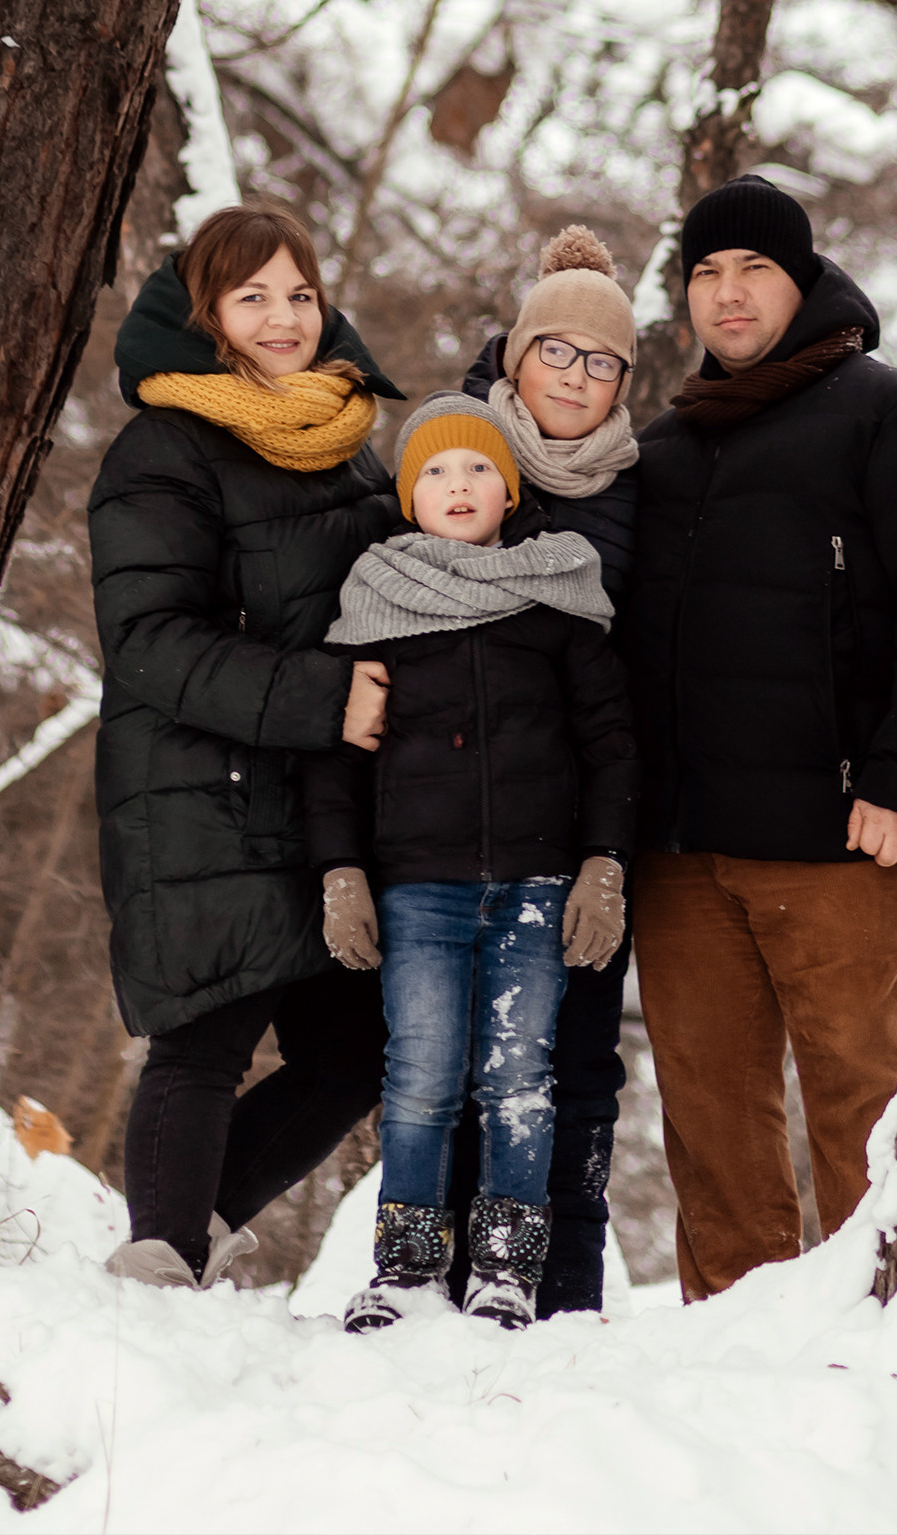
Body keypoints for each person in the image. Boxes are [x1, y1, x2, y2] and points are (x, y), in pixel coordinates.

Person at [619, 173, 897, 1302]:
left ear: (804, 279)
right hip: (681, 850)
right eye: (706, 273)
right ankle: (732, 1346)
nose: (728, 294)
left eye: (755, 269)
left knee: (863, 1106)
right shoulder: (665, 448)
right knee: (709, 1124)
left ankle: (879, 1332)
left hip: (837, 836)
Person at [86, 203, 401, 1290]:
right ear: (206, 315)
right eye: (252, 296)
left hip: (328, 796)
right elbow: (147, 640)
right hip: (204, 787)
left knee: (360, 1049)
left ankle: (188, 1232)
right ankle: (159, 1270)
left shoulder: (349, 446)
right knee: (209, 1035)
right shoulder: (165, 448)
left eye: (300, 294)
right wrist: (327, 698)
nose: (283, 317)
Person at [303, 390, 640, 1332]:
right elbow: (336, 762)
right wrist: (341, 872)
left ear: (510, 490)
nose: (459, 484)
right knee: (420, 1080)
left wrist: (604, 864)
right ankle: (406, 1272)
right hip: (419, 891)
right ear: (409, 496)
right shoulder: (376, 606)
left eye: (480, 467)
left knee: (520, 1081)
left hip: (538, 888)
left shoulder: (558, 601)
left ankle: (506, 1273)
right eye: (437, 471)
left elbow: (612, 745)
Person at [445, 225, 642, 1314]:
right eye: (555, 352)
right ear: (517, 356)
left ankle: (565, 1292)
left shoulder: (641, 487)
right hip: (451, 810)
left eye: (600, 361)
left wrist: (611, 843)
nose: (574, 376)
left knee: (579, 1061)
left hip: (583, 816)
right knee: (452, 1059)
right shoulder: (455, 456)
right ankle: (439, 1276)